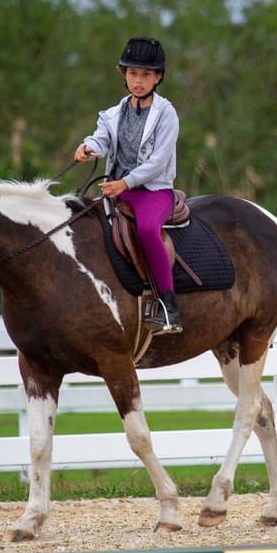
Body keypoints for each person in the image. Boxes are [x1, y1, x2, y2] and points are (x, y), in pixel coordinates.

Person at [75, 36, 182, 334]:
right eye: (133, 73)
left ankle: (169, 307)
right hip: (116, 189)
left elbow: (158, 162)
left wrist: (125, 183)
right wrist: (88, 147)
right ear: (123, 74)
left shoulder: (166, 114)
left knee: (147, 230)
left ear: (158, 77)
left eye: (146, 74)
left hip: (153, 192)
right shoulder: (113, 114)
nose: (138, 80)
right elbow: (101, 138)